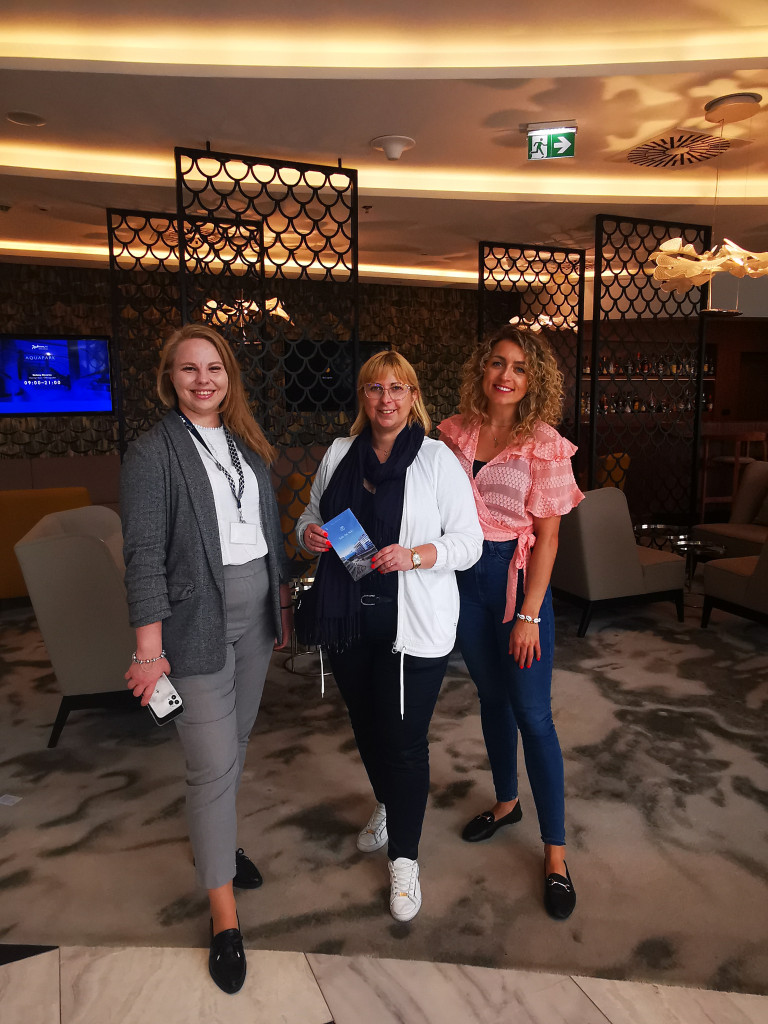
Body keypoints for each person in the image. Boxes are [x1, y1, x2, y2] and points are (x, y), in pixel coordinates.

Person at [121, 323, 292, 994]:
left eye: (214, 368)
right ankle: (224, 917)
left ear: (229, 377)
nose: (202, 379)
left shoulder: (247, 443)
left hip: (256, 613)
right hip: (194, 621)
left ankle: (220, 845)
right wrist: (149, 650)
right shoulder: (152, 452)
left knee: (235, 745)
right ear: (170, 378)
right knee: (212, 764)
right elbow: (142, 557)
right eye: (189, 368)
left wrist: (278, 605)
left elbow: (265, 531)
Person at [297, 351, 482, 923]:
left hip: (414, 626)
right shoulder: (339, 454)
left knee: (403, 743)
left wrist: (417, 554)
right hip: (349, 620)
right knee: (368, 727)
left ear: (413, 396)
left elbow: (469, 542)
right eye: (375, 388)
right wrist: (309, 536)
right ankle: (388, 803)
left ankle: (405, 858)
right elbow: (310, 515)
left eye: (397, 388)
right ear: (363, 396)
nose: (386, 399)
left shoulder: (436, 459)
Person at [438, 325, 584, 921]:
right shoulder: (454, 432)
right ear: (482, 368)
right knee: (492, 699)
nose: (506, 375)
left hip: (517, 582)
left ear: (534, 380)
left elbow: (548, 538)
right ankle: (506, 802)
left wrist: (529, 614)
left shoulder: (543, 444)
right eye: (498, 363)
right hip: (464, 581)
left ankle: (556, 854)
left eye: (520, 368)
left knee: (533, 715)